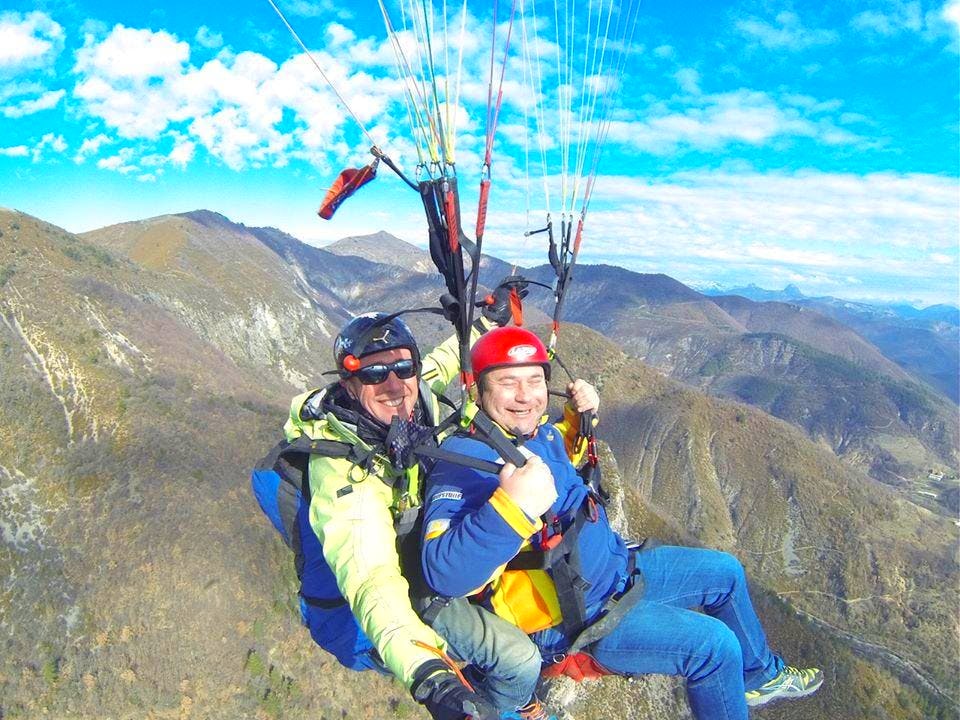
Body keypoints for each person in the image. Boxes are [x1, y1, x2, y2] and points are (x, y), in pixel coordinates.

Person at [420, 326, 824, 720]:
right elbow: (442, 572)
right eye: (508, 383)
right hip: (579, 620)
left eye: (534, 381)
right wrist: (509, 508)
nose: (525, 396)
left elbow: (565, 459)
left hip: (618, 571)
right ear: (478, 389)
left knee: (726, 572)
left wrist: (578, 418)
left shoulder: (534, 433)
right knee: (716, 648)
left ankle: (758, 677)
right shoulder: (465, 461)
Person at [283, 292, 550, 720]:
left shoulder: (415, 398)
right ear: (349, 385)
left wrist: (488, 323)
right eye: (373, 373)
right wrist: (429, 676)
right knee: (519, 659)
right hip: (389, 608)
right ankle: (506, 711)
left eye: (404, 367)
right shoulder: (344, 473)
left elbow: (445, 362)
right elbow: (371, 580)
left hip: (423, 555)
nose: (393, 384)